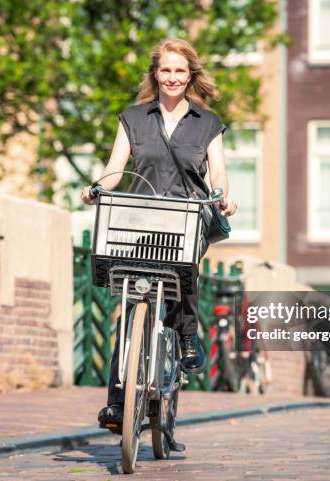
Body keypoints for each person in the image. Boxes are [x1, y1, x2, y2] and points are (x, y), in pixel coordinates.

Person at [81, 38, 238, 426]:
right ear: (156, 73)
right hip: (142, 217)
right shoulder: (132, 118)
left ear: (190, 76)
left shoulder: (208, 123)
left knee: (184, 265)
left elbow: (217, 171)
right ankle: (118, 403)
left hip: (188, 213)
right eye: (165, 70)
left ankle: (186, 335)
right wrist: (96, 188)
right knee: (132, 305)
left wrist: (222, 196)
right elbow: (116, 167)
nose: (171, 77)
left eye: (179, 71)